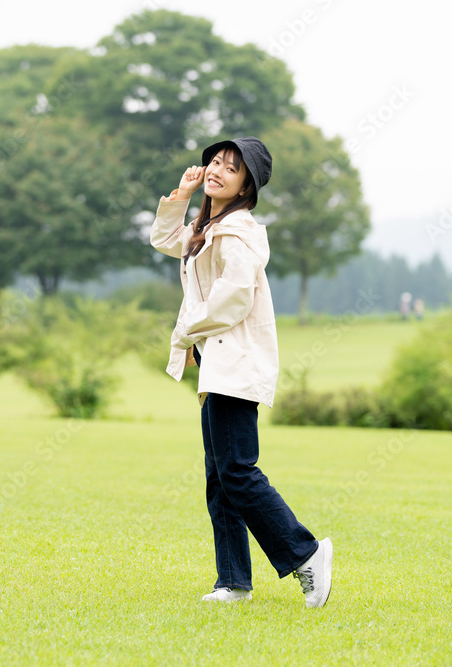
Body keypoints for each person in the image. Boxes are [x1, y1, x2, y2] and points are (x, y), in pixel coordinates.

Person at [149, 137, 333, 608]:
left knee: (237, 471)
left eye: (231, 168)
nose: (217, 170)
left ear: (246, 184)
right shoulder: (209, 227)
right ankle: (232, 581)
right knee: (220, 474)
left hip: (236, 362)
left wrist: (189, 332)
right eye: (214, 162)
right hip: (220, 360)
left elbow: (233, 298)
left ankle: (306, 553)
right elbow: (166, 241)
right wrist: (183, 195)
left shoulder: (238, 232)